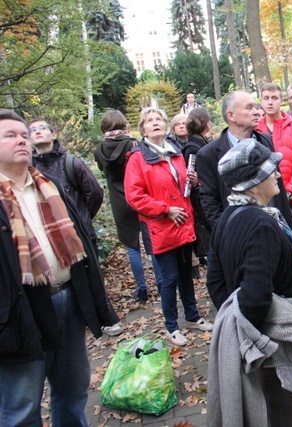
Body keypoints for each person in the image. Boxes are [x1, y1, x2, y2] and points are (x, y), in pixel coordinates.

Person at [0, 109, 119, 426]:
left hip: (68, 299)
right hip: (20, 313)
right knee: (21, 406)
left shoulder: (49, 186)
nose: (21, 140)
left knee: (72, 391)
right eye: (10, 136)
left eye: (23, 135)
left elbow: (82, 247)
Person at [206, 139, 292, 425]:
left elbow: (215, 281)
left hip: (263, 346)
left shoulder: (228, 217)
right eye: (270, 170)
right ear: (253, 184)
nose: (277, 174)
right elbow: (255, 297)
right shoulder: (261, 225)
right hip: (278, 349)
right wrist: (262, 341)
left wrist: (235, 325)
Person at [124, 107, 213, 347]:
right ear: (142, 128)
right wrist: (165, 210)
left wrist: (192, 181)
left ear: (166, 125)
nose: (155, 123)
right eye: (149, 120)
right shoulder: (137, 159)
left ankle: (193, 317)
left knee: (186, 273)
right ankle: (171, 327)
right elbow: (135, 197)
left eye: (159, 120)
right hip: (160, 228)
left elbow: (180, 187)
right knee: (168, 278)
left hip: (183, 223)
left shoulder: (175, 152)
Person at [196, 90, 292, 233]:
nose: (256, 112)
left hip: (276, 229)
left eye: (255, 107)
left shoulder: (265, 140)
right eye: (249, 108)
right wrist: (230, 234)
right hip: (241, 235)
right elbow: (210, 203)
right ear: (231, 115)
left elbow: (278, 191)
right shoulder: (208, 154)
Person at [94, 110, 163, 302]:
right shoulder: (133, 144)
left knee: (132, 246)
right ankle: (160, 283)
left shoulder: (98, 149)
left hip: (118, 201)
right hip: (140, 195)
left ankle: (142, 289)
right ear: (124, 124)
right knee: (152, 243)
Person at [29, 118, 103, 245]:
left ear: (54, 135)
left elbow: (95, 193)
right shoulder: (27, 168)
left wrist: (81, 215)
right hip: (47, 238)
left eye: (42, 128)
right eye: (33, 130)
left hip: (79, 233)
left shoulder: (72, 163)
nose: (37, 131)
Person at [256, 83, 292, 208]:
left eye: (274, 98)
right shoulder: (255, 130)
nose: (270, 102)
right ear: (261, 101)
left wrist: (288, 191)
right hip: (263, 198)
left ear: (281, 101)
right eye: (266, 98)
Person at [182, 107, 211, 279]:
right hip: (201, 200)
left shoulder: (199, 142)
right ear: (205, 123)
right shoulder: (193, 147)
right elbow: (192, 178)